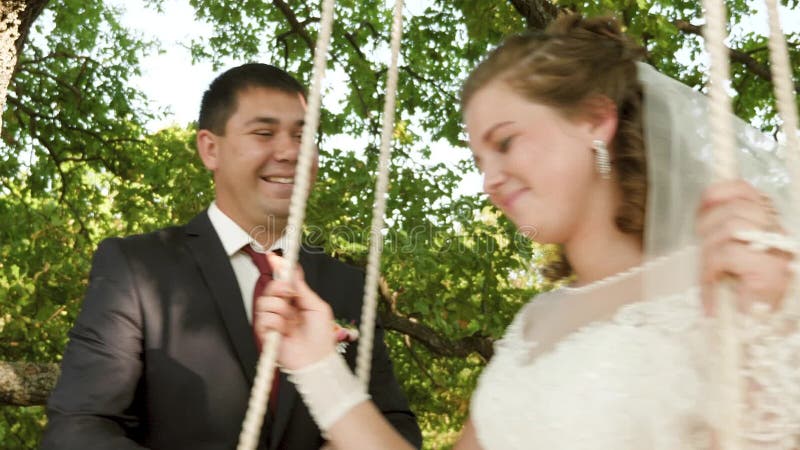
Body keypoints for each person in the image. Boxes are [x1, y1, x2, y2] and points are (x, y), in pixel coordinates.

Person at [253, 13, 800, 450]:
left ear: (594, 119)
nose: (490, 179)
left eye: (507, 141)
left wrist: (769, 319)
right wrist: (316, 365)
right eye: (478, 158)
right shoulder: (535, 323)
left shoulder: (724, 278)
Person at [40, 63, 422, 450]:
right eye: (264, 133)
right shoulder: (137, 268)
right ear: (210, 148)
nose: (291, 151)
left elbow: (397, 428)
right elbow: (78, 429)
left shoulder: (347, 286)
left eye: (304, 135)